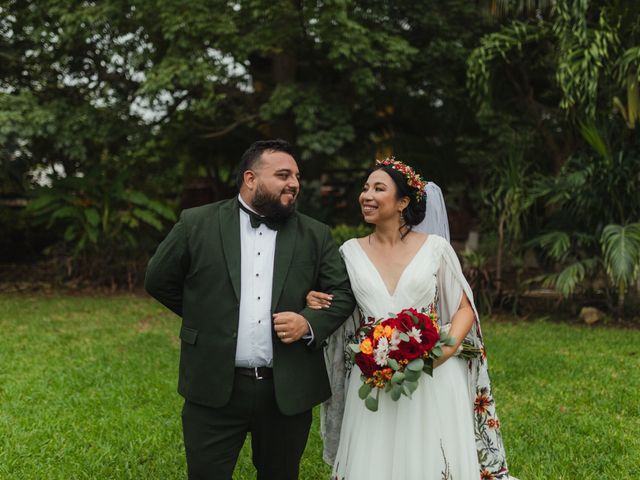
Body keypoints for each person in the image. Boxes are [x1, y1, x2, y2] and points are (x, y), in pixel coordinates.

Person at [144, 139, 355, 480]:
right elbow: (157, 279)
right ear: (250, 178)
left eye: (297, 176)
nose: (294, 184)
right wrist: (207, 315)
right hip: (213, 385)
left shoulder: (315, 234)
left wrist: (308, 321)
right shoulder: (196, 223)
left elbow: (343, 293)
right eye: (283, 175)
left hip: (286, 389)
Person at [308, 158, 517, 479]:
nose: (367, 195)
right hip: (373, 376)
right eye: (365, 188)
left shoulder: (436, 249)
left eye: (379, 188)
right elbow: (336, 302)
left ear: (403, 201)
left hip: (434, 374)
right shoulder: (349, 252)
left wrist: (439, 355)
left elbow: (463, 308)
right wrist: (313, 298)